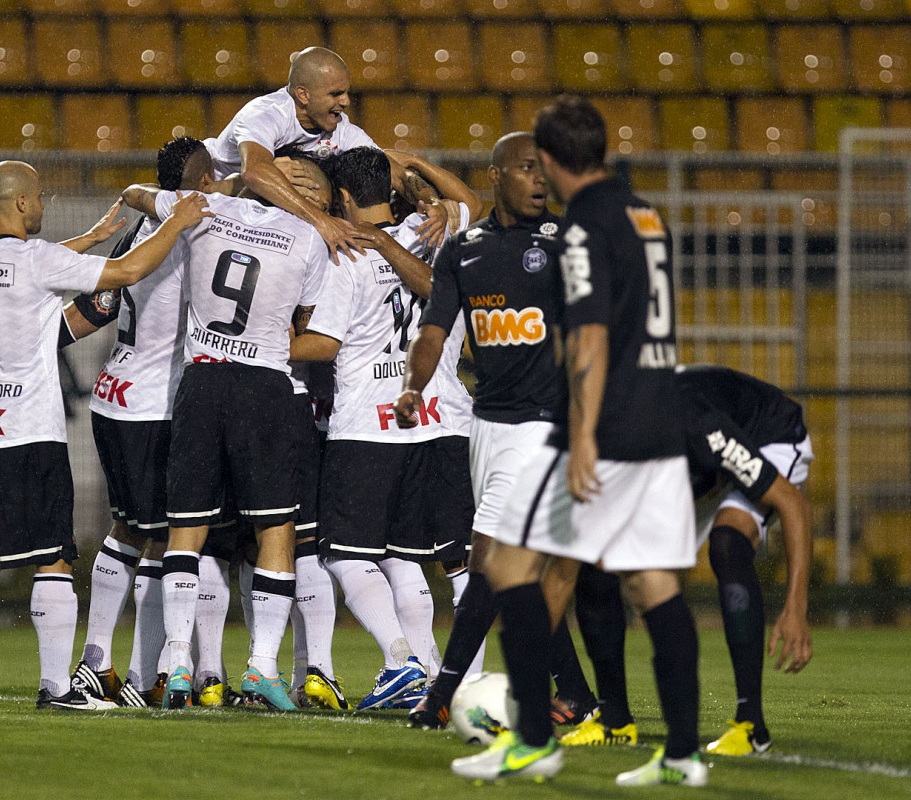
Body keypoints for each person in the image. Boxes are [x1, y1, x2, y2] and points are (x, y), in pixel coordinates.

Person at [0, 159, 211, 713]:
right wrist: (176, 224)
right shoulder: (37, 261)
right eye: (37, 197)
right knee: (54, 558)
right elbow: (127, 274)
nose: (43, 203)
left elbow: (30, 277)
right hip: (26, 435)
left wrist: (92, 237)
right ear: (19, 204)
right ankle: (57, 687)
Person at [449, 96, 706, 787]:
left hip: (606, 425)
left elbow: (589, 332)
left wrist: (585, 436)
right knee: (653, 583)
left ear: (557, 161)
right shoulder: (644, 213)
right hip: (659, 413)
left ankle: (534, 737)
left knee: (508, 568)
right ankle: (683, 752)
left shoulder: (584, 226)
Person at [120, 156, 336, 712]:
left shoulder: (208, 208)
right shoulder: (309, 237)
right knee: (276, 529)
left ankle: (176, 665)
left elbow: (137, 192)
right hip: (265, 388)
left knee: (186, 529)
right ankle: (263, 668)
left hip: (202, 383)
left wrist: (204, 193)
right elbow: (307, 323)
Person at [396, 132, 594, 730]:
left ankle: (442, 695)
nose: (542, 180)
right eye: (529, 169)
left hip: (547, 425)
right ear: (498, 175)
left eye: (548, 170)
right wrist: (414, 386)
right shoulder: (465, 251)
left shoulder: (567, 246)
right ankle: (581, 695)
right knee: (517, 577)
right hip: (490, 422)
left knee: (489, 560)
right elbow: (435, 329)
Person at [289, 146, 479, 711]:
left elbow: (324, 344)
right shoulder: (437, 229)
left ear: (343, 198)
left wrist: (261, 343)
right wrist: (417, 161)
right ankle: (463, 681)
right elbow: (470, 201)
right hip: (443, 416)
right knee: (458, 559)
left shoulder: (343, 254)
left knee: (346, 553)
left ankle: (401, 660)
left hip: (370, 425)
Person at [563, 365, 814, 756]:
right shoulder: (605, 432)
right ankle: (615, 718)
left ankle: (751, 727)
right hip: (698, 466)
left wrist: (796, 607)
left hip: (767, 435)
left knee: (728, 543)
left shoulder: (700, 426)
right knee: (596, 562)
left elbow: (793, 504)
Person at [64, 137, 225, 710]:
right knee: (167, 540)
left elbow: (95, 309)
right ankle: (141, 674)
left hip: (115, 394)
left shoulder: (139, 230)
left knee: (129, 530)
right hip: (156, 404)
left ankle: (98, 662)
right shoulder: (192, 231)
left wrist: (29, 348)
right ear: (201, 182)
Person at [203, 46, 453, 261]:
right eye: (336, 94)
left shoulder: (341, 129)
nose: (346, 102)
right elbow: (255, 172)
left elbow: (395, 173)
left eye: (346, 92)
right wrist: (321, 221)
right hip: (213, 202)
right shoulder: (266, 113)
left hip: (263, 217)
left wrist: (431, 202)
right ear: (303, 95)